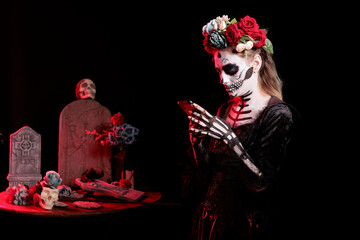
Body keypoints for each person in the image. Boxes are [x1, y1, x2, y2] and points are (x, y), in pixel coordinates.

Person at [184, 15, 294, 239]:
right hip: (208, 221)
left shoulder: (277, 114)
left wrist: (229, 138)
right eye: (218, 71)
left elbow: (261, 183)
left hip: (245, 227)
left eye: (231, 69)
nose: (222, 80)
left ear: (255, 64)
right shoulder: (225, 108)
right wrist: (197, 144)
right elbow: (209, 176)